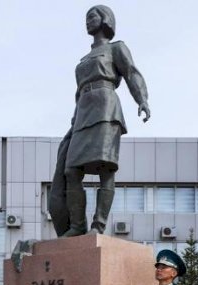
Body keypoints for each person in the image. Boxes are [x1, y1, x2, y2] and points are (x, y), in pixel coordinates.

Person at [49, 5, 150, 237]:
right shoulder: (84, 58)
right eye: (86, 17)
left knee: (106, 168)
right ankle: (77, 226)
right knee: (71, 170)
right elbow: (78, 92)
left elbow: (132, 73)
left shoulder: (116, 48)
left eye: (92, 16)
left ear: (105, 19)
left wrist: (142, 100)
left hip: (106, 107)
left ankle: (99, 224)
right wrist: (73, 121)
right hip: (82, 112)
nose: (88, 21)